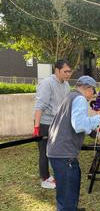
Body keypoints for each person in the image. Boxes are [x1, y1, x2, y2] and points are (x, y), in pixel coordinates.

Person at [47, 76, 100, 211]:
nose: (93, 95)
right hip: (64, 154)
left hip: (57, 151)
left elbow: (75, 122)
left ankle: (72, 210)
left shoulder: (70, 96)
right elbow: (79, 125)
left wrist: (93, 133)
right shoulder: (80, 99)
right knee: (67, 191)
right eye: (93, 91)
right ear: (88, 88)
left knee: (72, 182)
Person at [33, 59, 72, 189]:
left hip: (58, 123)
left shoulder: (66, 85)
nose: (68, 74)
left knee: (56, 151)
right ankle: (45, 179)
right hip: (44, 123)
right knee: (44, 152)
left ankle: (56, 175)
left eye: (69, 71)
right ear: (57, 70)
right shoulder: (47, 83)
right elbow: (39, 106)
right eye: (65, 71)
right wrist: (36, 127)